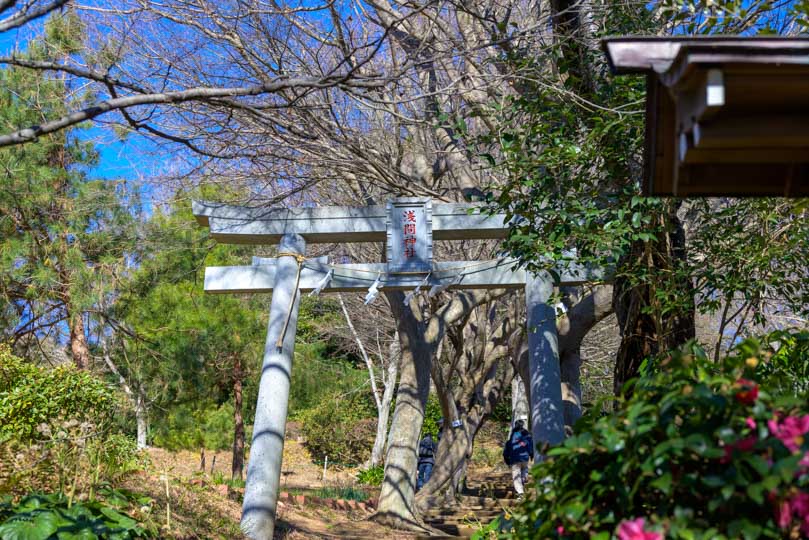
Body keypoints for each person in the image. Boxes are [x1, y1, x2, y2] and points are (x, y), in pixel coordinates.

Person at [503, 419, 533, 498]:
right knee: (524, 470)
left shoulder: (513, 435)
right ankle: (523, 480)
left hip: (515, 458)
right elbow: (530, 445)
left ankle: (520, 493)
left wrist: (507, 459)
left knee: (516, 475)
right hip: (525, 458)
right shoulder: (527, 435)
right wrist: (531, 454)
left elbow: (507, 448)